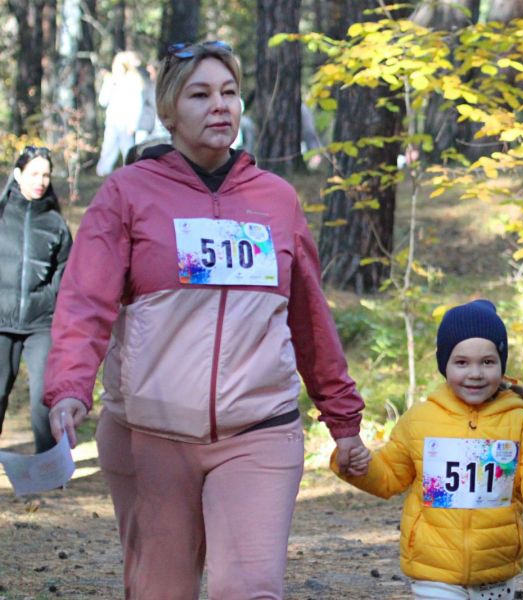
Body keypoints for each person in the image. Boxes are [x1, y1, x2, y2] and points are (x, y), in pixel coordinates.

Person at [43, 40, 369, 599]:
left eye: (230, 92)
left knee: (249, 588)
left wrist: (343, 419)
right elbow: (84, 300)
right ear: (168, 110)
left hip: (260, 430)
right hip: (151, 435)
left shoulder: (277, 200)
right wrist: (69, 386)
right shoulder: (127, 193)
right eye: (200, 94)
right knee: (160, 591)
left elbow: (309, 317)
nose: (220, 105)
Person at [333, 300, 523, 600]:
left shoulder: (521, 421)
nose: (475, 373)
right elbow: (388, 477)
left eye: (487, 362)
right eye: (461, 362)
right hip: (433, 570)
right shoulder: (421, 419)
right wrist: (359, 467)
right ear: (444, 365)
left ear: (502, 364)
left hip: (496, 571)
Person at [0, 146, 72, 453]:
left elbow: (67, 273)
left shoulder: (55, 223)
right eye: (34, 174)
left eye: (45, 175)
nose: (40, 181)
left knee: (45, 396)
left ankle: (49, 470)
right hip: (1, 322)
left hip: (41, 324)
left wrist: (53, 301)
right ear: (18, 175)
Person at [96, 51, 146, 176]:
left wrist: (133, 124)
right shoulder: (110, 81)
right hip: (112, 121)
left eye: (119, 66)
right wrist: (108, 85)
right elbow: (102, 101)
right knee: (108, 148)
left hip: (126, 123)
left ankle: (130, 174)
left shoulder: (133, 81)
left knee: (127, 150)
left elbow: (137, 105)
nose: (116, 68)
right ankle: (102, 173)